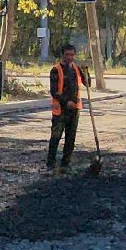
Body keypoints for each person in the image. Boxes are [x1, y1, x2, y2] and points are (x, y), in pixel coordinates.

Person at [47, 42, 87, 174]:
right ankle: (51, 164)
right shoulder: (56, 70)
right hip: (61, 110)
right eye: (67, 55)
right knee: (56, 137)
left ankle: (66, 164)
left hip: (74, 109)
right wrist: (66, 102)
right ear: (62, 55)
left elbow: (87, 84)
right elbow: (54, 91)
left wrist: (87, 73)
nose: (69, 57)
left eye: (72, 55)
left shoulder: (76, 68)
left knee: (71, 138)